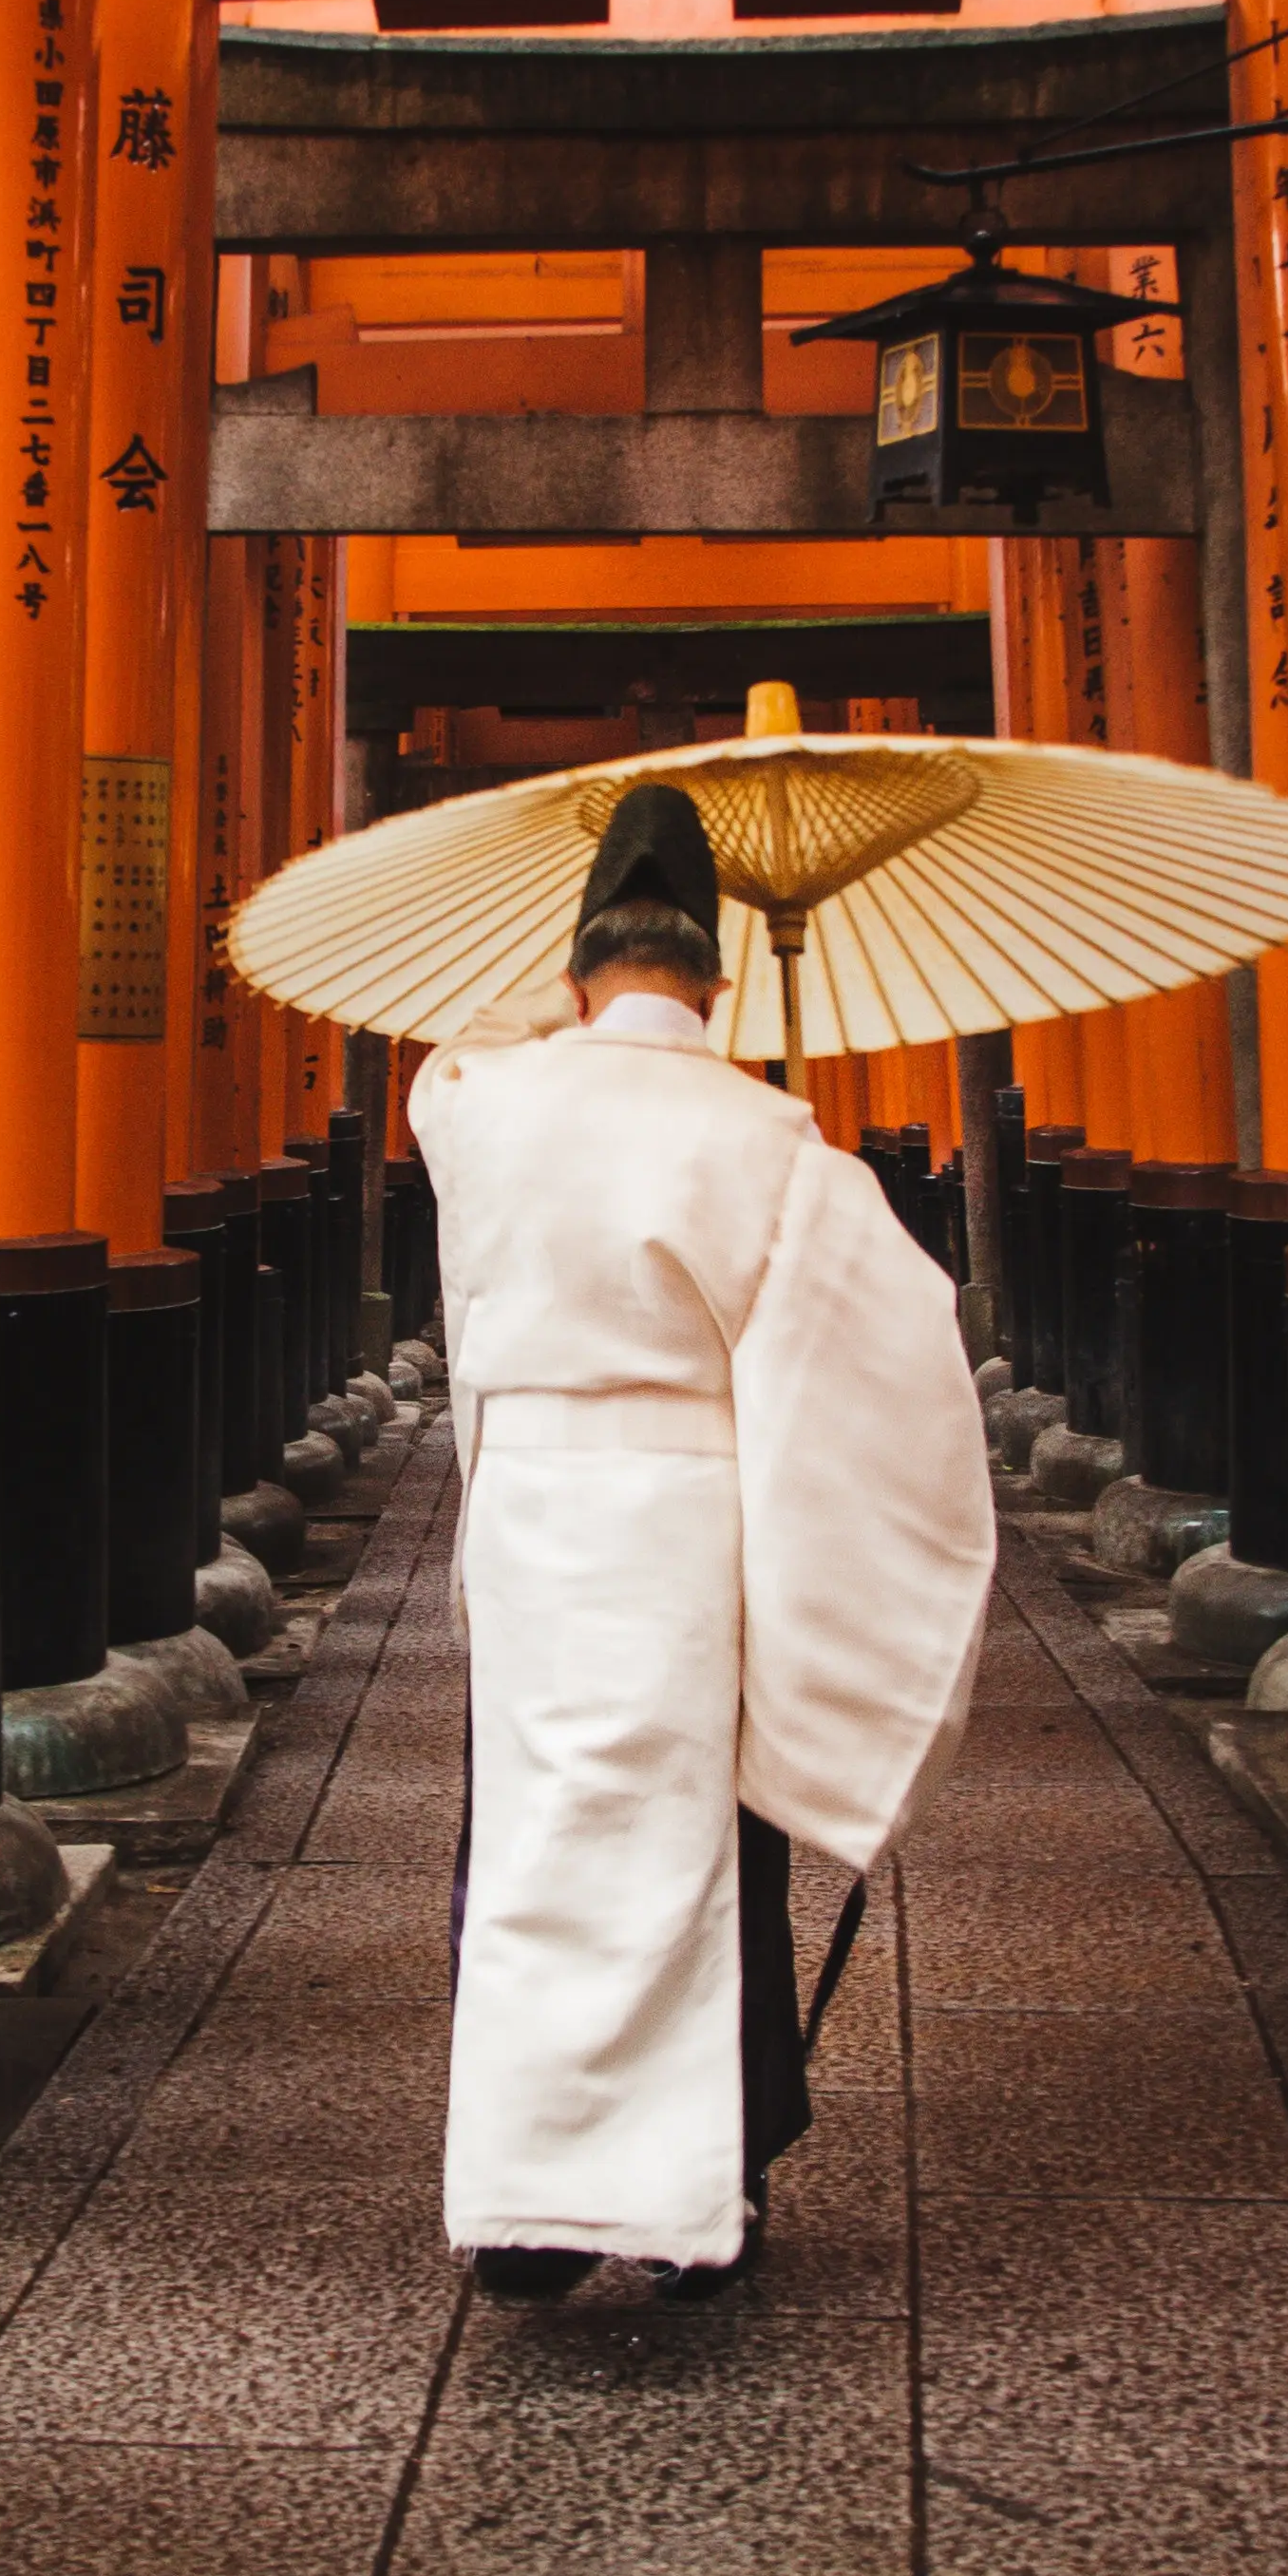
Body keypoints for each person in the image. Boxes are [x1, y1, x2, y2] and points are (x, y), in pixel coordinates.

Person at [407, 781, 995, 2301]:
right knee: (705, 1840)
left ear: (572, 968)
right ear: (721, 979)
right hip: (688, 1516)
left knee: (533, 1841)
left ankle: (524, 2213)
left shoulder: (471, 1100)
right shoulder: (774, 1137)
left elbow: (464, 1057)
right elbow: (884, 1350)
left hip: (533, 1520)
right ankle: (701, 2195)